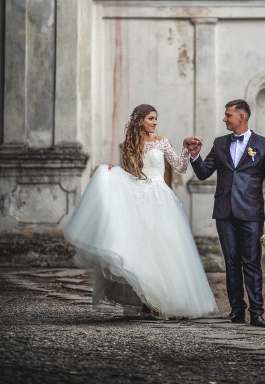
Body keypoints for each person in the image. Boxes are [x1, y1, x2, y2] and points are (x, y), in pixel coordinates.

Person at [64, 104, 217, 319]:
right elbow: (129, 175)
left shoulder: (162, 141)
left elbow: (181, 167)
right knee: (141, 250)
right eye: (151, 118)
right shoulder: (130, 144)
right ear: (140, 120)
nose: (155, 122)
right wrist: (111, 171)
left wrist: (185, 148)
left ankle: (161, 302)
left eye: (156, 118)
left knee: (160, 248)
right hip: (137, 198)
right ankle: (146, 302)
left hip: (160, 199)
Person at [188, 99, 265, 328]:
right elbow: (203, 173)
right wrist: (194, 156)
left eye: (228, 115)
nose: (224, 119)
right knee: (231, 263)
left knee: (251, 263)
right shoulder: (220, 143)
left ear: (242, 117)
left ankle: (257, 312)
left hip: (251, 212)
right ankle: (237, 311)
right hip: (224, 212)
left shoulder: (264, 144)